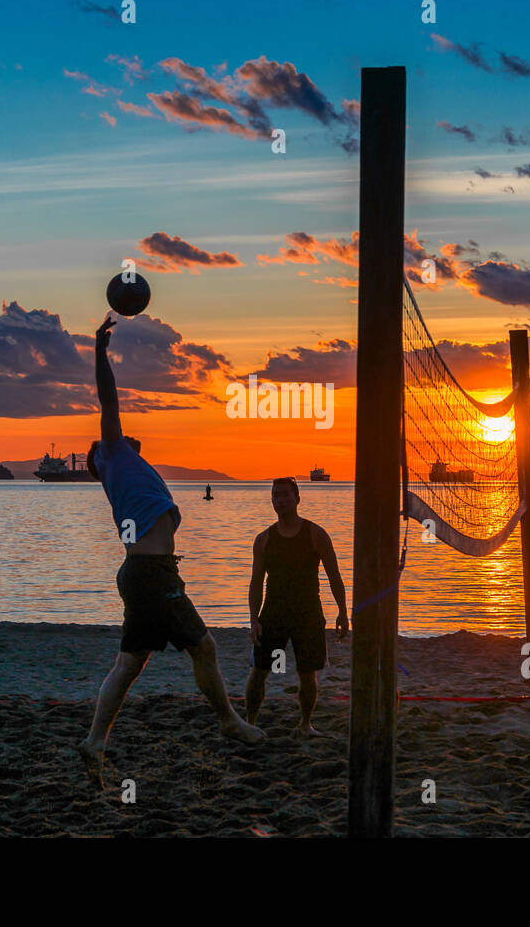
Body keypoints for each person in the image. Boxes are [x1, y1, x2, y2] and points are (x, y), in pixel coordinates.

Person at [78, 316, 263, 789]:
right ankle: (229, 722)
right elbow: (108, 397)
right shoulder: (115, 455)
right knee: (204, 646)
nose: (122, 435)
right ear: (105, 452)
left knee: (130, 663)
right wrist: (100, 351)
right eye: (113, 437)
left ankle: (96, 741)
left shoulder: (131, 468)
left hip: (145, 572)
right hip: (151, 574)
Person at [244, 477, 347, 736]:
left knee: (307, 673)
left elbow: (335, 577)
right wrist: (253, 619)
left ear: (297, 498)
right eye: (276, 496)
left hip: (308, 613)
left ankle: (305, 724)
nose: (280, 500)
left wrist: (343, 612)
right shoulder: (264, 539)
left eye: (285, 495)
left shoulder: (316, 534)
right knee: (259, 671)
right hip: (273, 612)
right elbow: (256, 582)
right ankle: (250, 722)